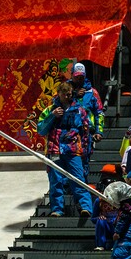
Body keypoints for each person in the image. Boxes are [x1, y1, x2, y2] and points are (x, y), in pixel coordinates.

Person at [38, 82, 94, 217]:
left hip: (73, 150)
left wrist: (86, 151)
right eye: (64, 93)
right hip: (54, 149)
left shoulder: (80, 110)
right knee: (56, 180)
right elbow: (40, 129)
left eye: (69, 93)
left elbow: (86, 130)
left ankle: (85, 207)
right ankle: (57, 209)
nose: (67, 96)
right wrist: (52, 116)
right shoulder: (49, 110)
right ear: (59, 94)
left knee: (78, 179)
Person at [68, 62, 105, 181]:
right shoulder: (65, 90)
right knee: (68, 163)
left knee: (84, 163)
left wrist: (99, 131)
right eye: (76, 76)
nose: (79, 79)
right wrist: (74, 95)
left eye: (81, 76)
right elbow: (56, 104)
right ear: (71, 75)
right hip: (68, 132)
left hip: (85, 133)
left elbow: (99, 112)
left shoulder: (92, 92)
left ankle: (82, 187)